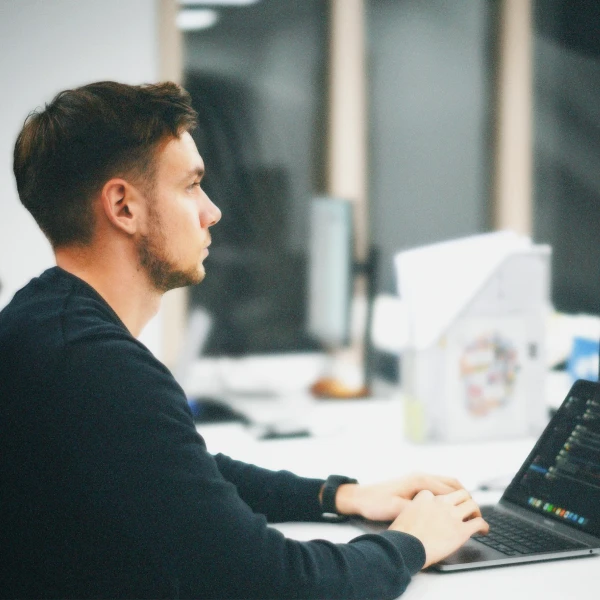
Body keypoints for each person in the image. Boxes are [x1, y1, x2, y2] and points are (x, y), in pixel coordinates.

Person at [0, 81, 488, 599]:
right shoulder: (96, 368)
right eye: (190, 186)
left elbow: (187, 476)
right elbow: (276, 584)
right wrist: (410, 543)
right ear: (124, 206)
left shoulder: (46, 324)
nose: (212, 212)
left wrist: (342, 496)